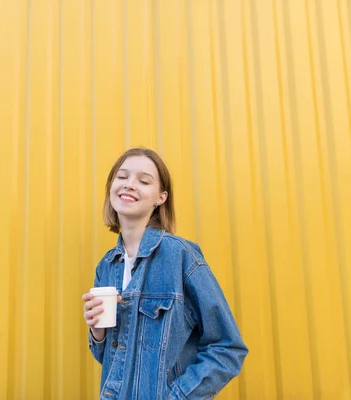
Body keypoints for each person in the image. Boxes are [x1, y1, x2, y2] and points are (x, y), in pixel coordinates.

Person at [81, 147, 248, 400]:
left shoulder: (180, 256)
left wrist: (177, 396)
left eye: (144, 181)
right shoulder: (107, 266)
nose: (130, 185)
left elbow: (228, 348)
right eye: (122, 177)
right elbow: (110, 359)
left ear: (160, 197)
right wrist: (98, 333)